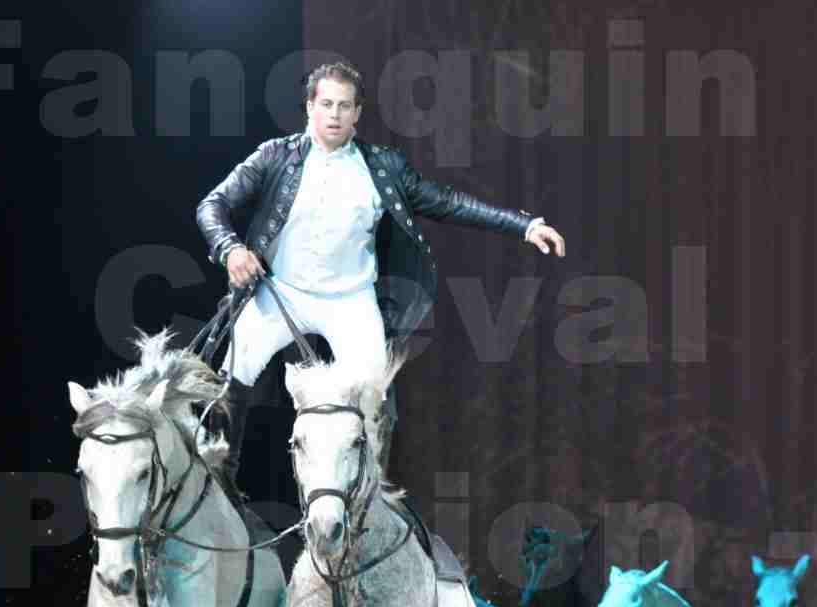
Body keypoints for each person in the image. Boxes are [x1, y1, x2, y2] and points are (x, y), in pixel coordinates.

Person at [196, 60, 566, 484]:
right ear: (310, 107)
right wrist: (230, 249)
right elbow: (212, 205)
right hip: (281, 292)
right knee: (232, 374)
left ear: (358, 113)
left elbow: (447, 201)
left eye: (345, 106)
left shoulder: (383, 167)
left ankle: (368, 499)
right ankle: (221, 481)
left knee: (375, 398)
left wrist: (525, 225)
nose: (335, 114)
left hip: (350, 302)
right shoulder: (275, 156)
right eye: (327, 104)